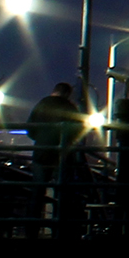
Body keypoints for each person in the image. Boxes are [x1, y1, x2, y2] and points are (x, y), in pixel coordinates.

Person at [27, 82, 80, 224]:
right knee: (63, 193)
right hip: (62, 156)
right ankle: (59, 228)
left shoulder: (42, 104)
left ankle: (32, 230)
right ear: (67, 94)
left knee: (37, 193)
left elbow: (30, 129)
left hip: (41, 153)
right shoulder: (70, 108)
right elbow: (78, 132)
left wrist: (41, 139)